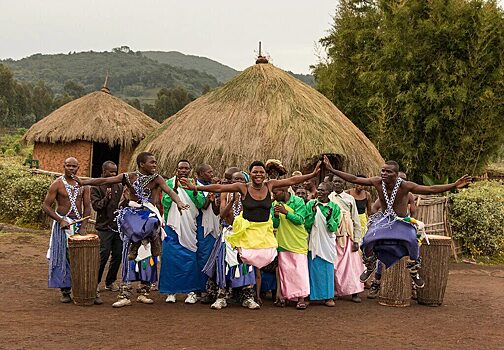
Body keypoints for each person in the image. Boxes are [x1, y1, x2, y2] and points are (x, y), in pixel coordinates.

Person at [323, 156, 471, 289]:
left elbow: (430, 189)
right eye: (383, 171)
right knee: (367, 239)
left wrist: (453, 185)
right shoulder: (377, 182)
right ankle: (370, 266)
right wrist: (332, 170)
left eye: (388, 172)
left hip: (401, 221)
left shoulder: (404, 186)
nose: (384, 174)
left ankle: (414, 272)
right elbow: (354, 179)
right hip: (384, 220)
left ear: (395, 174)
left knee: (412, 240)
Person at [180, 161, 321, 287]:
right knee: (243, 258)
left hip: (264, 230)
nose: (258, 174)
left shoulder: (270, 185)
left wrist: (312, 174)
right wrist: (195, 188)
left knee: (269, 257)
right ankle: (231, 285)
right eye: (255, 172)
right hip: (247, 229)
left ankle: (252, 287)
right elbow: (219, 188)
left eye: (261, 172)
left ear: (265, 174)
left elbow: (292, 180)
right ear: (250, 174)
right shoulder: (243, 187)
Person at [75, 152, 189, 308]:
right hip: (132, 217)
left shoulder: (157, 179)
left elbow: (170, 191)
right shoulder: (128, 177)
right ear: (141, 164)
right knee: (128, 257)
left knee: (148, 254)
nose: (155, 165)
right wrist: (84, 182)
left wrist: (179, 202)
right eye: (152, 163)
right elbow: (105, 180)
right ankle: (125, 294)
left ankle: (144, 291)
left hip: (149, 216)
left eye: (155, 163)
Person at [203, 170, 259, 309]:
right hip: (228, 233)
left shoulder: (250, 194)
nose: (238, 182)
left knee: (246, 265)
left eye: (241, 180)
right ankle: (222, 296)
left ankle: (247, 297)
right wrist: (232, 201)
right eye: (235, 180)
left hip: (244, 235)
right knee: (223, 264)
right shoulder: (225, 194)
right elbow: (222, 214)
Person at [42, 157, 92, 303]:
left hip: (77, 224)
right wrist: (60, 220)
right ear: (63, 166)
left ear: (78, 168)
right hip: (62, 225)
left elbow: (87, 207)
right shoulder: (57, 184)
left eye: (74, 166)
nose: (71, 168)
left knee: (79, 256)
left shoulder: (83, 185)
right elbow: (46, 206)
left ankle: (81, 287)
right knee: (62, 256)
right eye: (68, 166)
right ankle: (65, 290)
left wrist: (83, 226)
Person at [160, 160, 206, 304]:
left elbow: (201, 204)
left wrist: (193, 190)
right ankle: (171, 292)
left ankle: (191, 292)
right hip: (172, 226)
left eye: (186, 168)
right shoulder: (168, 183)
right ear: (176, 169)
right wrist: (173, 188)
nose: (183, 171)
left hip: (189, 227)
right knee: (170, 258)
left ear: (190, 170)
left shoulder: (195, 184)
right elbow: (165, 203)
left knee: (190, 258)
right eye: (181, 168)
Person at [368, 171, 417, 299]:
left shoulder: (409, 194)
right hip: (387, 225)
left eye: (403, 180)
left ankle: (413, 282)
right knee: (379, 249)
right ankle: (376, 282)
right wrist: (378, 219)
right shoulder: (385, 192)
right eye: (399, 179)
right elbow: (375, 207)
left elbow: (413, 211)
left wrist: (409, 222)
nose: (400, 182)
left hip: (402, 224)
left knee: (413, 245)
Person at [271, 186, 310, 310]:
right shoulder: (275, 204)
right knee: (286, 271)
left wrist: (286, 212)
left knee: (300, 270)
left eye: (275, 192)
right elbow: (275, 224)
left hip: (297, 241)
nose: (274, 196)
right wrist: (276, 216)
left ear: (284, 191)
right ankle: (287, 296)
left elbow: (300, 220)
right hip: (283, 240)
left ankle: (301, 298)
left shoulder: (298, 201)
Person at [305, 182, 341, 307]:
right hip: (314, 241)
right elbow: (307, 225)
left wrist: (329, 218)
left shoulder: (335, 208)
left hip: (327, 242)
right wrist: (313, 214)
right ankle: (311, 296)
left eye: (323, 190)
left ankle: (328, 297)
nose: (320, 192)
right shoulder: (311, 204)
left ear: (329, 192)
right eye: (319, 190)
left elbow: (333, 228)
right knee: (312, 268)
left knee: (327, 269)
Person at [329, 177, 365, 303]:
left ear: (344, 184)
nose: (337, 184)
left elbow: (355, 221)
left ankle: (354, 292)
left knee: (352, 265)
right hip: (333, 236)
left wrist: (356, 240)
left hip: (347, 236)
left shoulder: (350, 199)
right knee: (335, 265)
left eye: (339, 182)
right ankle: (335, 291)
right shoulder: (328, 198)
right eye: (335, 182)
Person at [91, 161, 123, 295]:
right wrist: (106, 198)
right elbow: (96, 206)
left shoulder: (119, 186)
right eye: (111, 172)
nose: (113, 174)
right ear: (104, 171)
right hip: (104, 227)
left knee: (118, 254)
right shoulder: (96, 186)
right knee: (103, 254)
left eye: (115, 172)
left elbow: (122, 204)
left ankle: (110, 281)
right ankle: (95, 282)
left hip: (118, 226)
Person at [194, 164, 220, 300]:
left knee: (213, 255)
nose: (212, 173)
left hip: (214, 223)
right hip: (202, 224)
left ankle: (212, 287)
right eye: (209, 172)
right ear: (201, 173)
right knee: (204, 255)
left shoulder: (212, 186)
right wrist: (209, 199)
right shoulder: (196, 187)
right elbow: (201, 206)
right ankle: (201, 287)